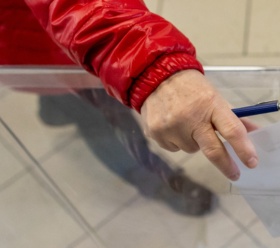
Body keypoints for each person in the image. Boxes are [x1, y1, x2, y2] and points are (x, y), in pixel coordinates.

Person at [0, 0, 259, 215]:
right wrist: (153, 68)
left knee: (64, 98)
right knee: (104, 126)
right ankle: (155, 181)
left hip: (31, 46)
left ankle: (54, 109)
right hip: (54, 54)